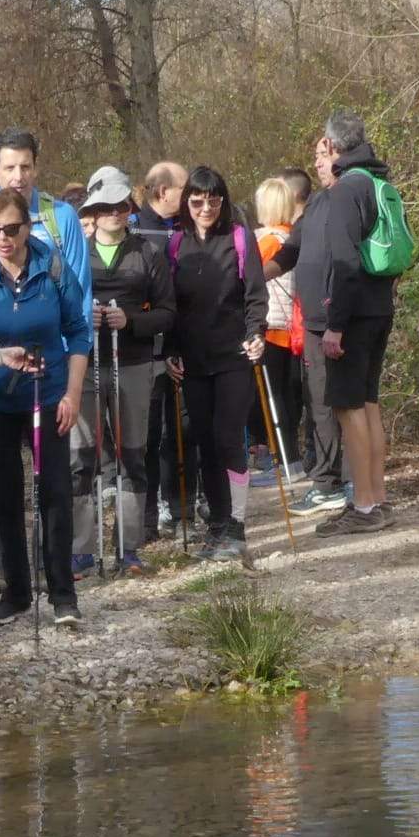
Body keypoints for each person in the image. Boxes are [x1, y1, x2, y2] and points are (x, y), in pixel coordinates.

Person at [0, 128, 93, 589]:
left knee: (54, 492)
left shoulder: (53, 258)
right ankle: (14, 586)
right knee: (4, 498)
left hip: (48, 393)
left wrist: (72, 393)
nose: (3, 237)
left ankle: (61, 591)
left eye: (12, 229)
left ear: (29, 227)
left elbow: (77, 327)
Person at [268, 111, 398, 535]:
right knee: (368, 403)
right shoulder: (369, 185)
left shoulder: (347, 192)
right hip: (374, 310)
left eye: (322, 150)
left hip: (347, 319)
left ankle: (362, 506)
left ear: (336, 147)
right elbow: (294, 252)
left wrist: (336, 325)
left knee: (348, 406)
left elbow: (343, 262)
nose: (319, 161)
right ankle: (376, 498)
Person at [164, 165, 268, 563]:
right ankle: (218, 524)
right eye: (196, 200)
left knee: (229, 438)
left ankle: (237, 526)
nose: (205, 207)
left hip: (234, 355)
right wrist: (170, 349)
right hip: (193, 358)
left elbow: (255, 295)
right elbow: (172, 306)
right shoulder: (176, 246)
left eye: (213, 199)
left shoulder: (239, 239)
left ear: (222, 202)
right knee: (204, 442)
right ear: (186, 203)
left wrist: (256, 333)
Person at [76, 165, 174, 575]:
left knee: (133, 453)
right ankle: (80, 549)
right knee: (82, 459)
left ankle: (128, 547)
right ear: (93, 212)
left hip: (132, 364)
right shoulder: (75, 254)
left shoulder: (147, 253)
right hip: (84, 366)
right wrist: (87, 318)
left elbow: (169, 312)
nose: (115, 213)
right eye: (106, 206)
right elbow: (62, 308)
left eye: (121, 205)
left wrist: (130, 322)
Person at [269, 161, 347, 516]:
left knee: (330, 402)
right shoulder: (310, 215)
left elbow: (346, 264)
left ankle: (333, 482)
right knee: (321, 401)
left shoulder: (337, 205)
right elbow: (286, 257)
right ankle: (332, 478)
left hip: (333, 322)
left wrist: (338, 321)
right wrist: (248, 279)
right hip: (315, 325)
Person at [133, 161, 187, 535]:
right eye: (184, 189)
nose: (192, 197)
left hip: (185, 340)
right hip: (148, 345)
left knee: (184, 429)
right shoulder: (136, 230)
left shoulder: (189, 226)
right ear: (161, 191)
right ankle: (147, 518)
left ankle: (184, 508)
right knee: (149, 435)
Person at [252, 176, 304, 483]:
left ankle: (283, 462)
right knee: (287, 396)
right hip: (290, 328)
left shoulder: (269, 241)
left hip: (271, 326)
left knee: (273, 398)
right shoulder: (293, 237)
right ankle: (291, 461)